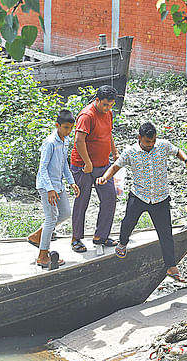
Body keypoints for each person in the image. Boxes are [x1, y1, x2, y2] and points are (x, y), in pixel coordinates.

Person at [96, 122, 187, 282]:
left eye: (152, 141)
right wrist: (105, 177)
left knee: (165, 233)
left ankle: (171, 266)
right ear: (139, 138)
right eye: (147, 142)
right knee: (128, 222)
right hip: (139, 196)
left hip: (160, 198)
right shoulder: (131, 152)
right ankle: (122, 243)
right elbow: (115, 167)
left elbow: (178, 151)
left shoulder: (163, 145)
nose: (150, 145)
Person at [26, 110, 81, 268]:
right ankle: (42, 256)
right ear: (57, 125)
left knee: (65, 213)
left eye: (71, 128)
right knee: (51, 218)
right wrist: (49, 189)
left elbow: (64, 163)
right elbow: (42, 169)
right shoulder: (50, 142)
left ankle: (38, 235)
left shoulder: (65, 140)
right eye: (65, 128)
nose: (68, 131)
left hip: (59, 184)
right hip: (47, 186)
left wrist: (71, 182)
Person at [70, 85, 119, 253]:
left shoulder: (108, 113)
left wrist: (115, 152)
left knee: (110, 196)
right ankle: (76, 238)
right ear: (97, 100)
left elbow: (108, 134)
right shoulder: (87, 115)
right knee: (82, 200)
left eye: (111, 105)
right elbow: (79, 141)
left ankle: (101, 235)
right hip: (83, 166)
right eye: (105, 105)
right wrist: (87, 162)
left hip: (103, 165)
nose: (107, 108)